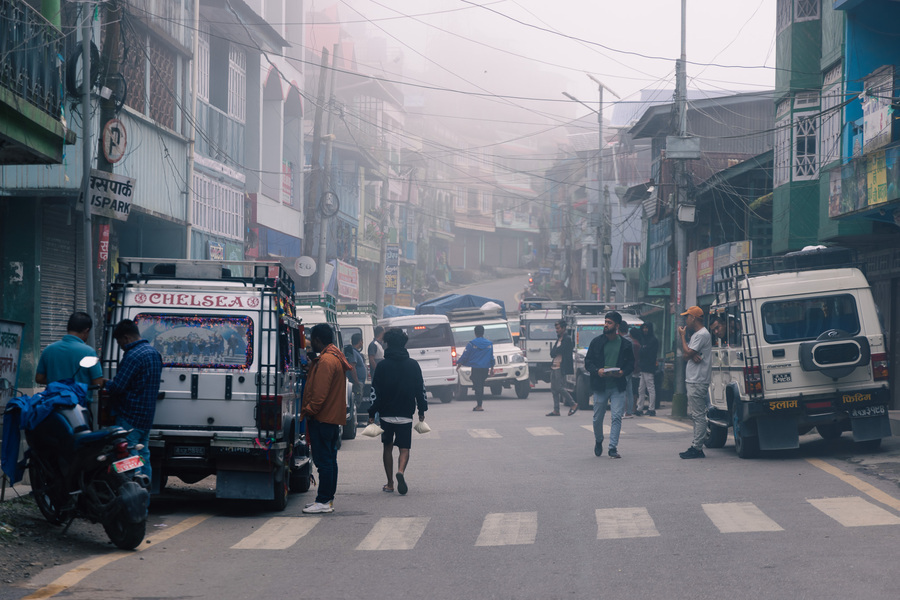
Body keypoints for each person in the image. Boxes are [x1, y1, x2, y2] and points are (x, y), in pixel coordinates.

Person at [367, 328, 427, 495]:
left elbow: (375, 392)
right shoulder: (413, 365)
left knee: (387, 447)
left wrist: (372, 413)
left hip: (386, 414)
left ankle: (390, 483)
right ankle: (400, 471)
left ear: (387, 344)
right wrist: (422, 410)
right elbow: (420, 390)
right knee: (404, 448)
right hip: (406, 414)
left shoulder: (382, 366)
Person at [301, 323, 352, 514]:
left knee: (324, 462)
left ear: (317, 340)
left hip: (322, 418)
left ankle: (323, 500)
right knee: (330, 460)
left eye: (311, 341)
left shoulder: (326, 361)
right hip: (331, 419)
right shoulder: (334, 356)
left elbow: (319, 394)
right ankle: (327, 499)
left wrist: (309, 410)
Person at [103, 319, 163, 483]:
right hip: (146, 417)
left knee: (129, 455)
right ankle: (145, 494)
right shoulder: (154, 353)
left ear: (126, 338)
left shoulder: (133, 355)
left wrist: (104, 382)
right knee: (143, 454)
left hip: (129, 416)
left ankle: (132, 493)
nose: (121, 345)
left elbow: (118, 387)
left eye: (119, 341)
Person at [584, 311, 634, 459]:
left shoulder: (625, 344)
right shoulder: (596, 342)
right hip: (600, 385)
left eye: (609, 322)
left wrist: (623, 372)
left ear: (617, 326)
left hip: (617, 386)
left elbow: (631, 364)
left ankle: (612, 447)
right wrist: (596, 370)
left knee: (617, 417)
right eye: (605, 322)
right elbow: (588, 362)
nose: (606, 325)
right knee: (597, 418)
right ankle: (599, 440)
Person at [678, 306, 712, 459]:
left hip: (697, 379)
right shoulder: (698, 335)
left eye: (687, 317)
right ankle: (697, 444)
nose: (686, 320)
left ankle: (697, 447)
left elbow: (686, 353)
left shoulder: (700, 334)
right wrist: (691, 355)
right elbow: (686, 356)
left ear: (693, 318)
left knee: (698, 415)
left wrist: (683, 336)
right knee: (697, 414)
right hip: (694, 379)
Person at [35, 312, 104, 387]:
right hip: (79, 398)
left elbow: (39, 378)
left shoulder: (48, 350)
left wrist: (58, 382)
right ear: (86, 331)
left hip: (53, 398)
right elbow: (98, 383)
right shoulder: (89, 352)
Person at [456, 325, 494, 412]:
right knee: (480, 385)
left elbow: (465, 355)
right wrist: (492, 369)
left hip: (476, 368)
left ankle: (479, 405)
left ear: (475, 333)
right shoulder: (489, 344)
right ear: (483, 332)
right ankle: (479, 404)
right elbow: (491, 357)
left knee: (478, 386)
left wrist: (459, 364)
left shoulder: (471, 344)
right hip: (485, 368)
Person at [548, 320, 575, 416]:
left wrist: (556, 351)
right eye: (556, 328)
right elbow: (552, 353)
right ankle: (556, 410)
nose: (557, 330)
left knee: (559, 388)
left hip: (561, 367)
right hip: (554, 366)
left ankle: (573, 404)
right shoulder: (559, 339)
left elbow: (561, 350)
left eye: (558, 328)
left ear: (563, 328)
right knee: (553, 389)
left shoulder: (567, 339)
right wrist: (556, 351)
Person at [636, 322, 659, 416]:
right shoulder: (643, 340)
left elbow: (647, 353)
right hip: (643, 367)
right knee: (641, 389)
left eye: (647, 328)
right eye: (644, 328)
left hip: (649, 367)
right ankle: (640, 408)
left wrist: (643, 350)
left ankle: (651, 408)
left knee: (650, 388)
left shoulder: (653, 340)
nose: (645, 330)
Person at [619, 322, 639, 417]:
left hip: (623, 369)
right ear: (627, 330)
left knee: (623, 390)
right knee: (629, 390)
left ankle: (623, 411)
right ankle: (629, 411)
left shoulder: (621, 341)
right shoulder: (631, 340)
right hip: (630, 368)